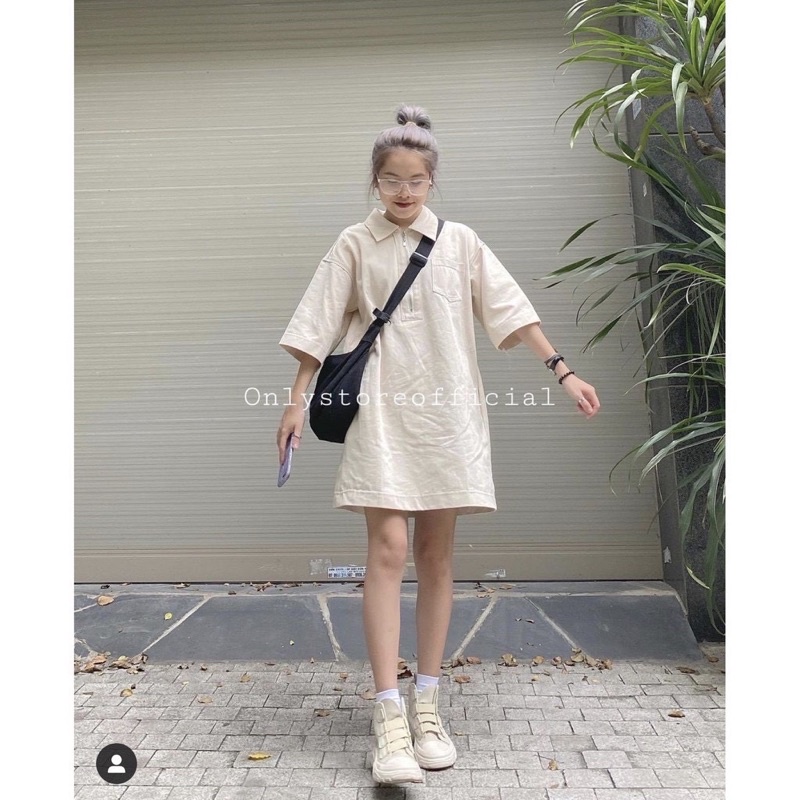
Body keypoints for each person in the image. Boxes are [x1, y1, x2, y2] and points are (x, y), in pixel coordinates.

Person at [276, 105, 600, 785]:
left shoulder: (460, 243)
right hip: (381, 413)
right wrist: (295, 400)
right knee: (388, 549)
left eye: (416, 180)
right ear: (375, 180)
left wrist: (563, 371)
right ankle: (387, 711)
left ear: (431, 181)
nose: (403, 191)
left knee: (437, 554)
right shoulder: (354, 244)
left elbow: (512, 310)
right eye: (391, 179)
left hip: (447, 415)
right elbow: (317, 325)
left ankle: (427, 701)